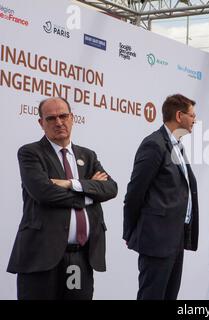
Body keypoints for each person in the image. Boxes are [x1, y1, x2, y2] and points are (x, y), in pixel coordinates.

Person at [7, 97, 118, 300]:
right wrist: (90, 195)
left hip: (79, 258)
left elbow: (111, 188)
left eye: (63, 116)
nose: (59, 122)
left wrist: (71, 183)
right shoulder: (30, 153)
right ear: (41, 123)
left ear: (72, 118)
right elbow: (44, 193)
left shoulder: (88, 156)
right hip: (41, 257)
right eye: (51, 118)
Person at [123, 93, 198, 300]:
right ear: (179, 115)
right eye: (192, 115)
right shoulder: (154, 144)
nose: (195, 120)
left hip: (176, 238)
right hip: (156, 240)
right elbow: (135, 192)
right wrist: (130, 232)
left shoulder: (178, 147)